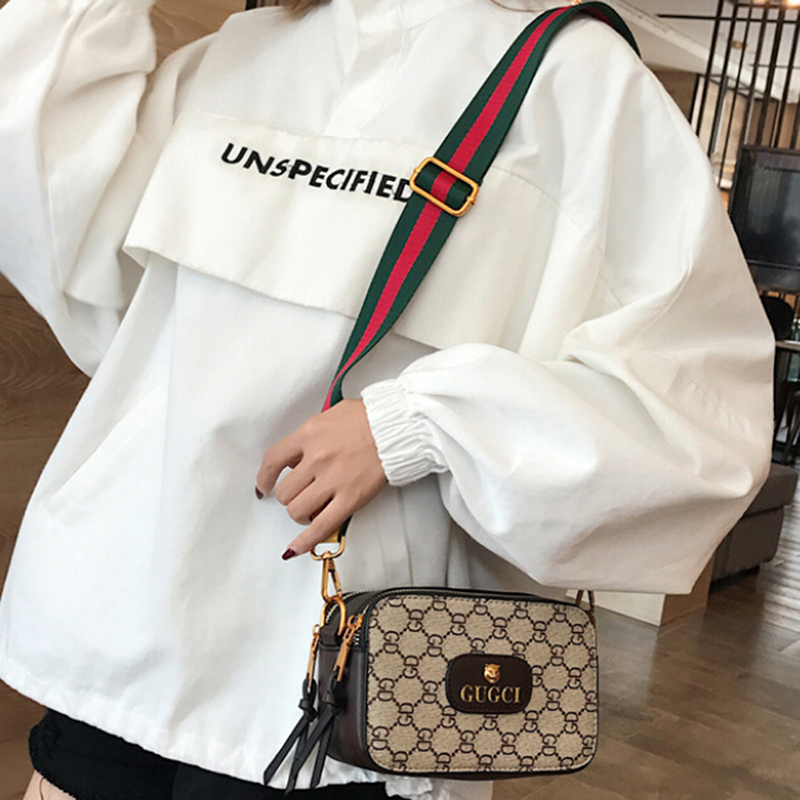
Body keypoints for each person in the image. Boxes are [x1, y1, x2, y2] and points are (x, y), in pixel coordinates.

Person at [0, 0, 775, 798]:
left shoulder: (579, 81)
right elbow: (75, 254)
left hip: (342, 696)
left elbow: (700, 417)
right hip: (121, 628)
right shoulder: (241, 51)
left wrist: (419, 423)